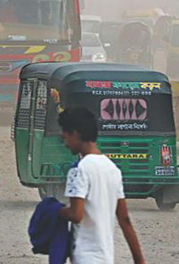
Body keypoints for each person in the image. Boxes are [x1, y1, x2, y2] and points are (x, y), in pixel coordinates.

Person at [57, 107, 145, 264]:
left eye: (64, 138)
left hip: (84, 256)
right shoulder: (112, 169)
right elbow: (124, 219)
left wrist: (53, 210)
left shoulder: (79, 169)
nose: (65, 144)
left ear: (75, 134)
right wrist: (139, 260)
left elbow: (76, 215)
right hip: (106, 257)